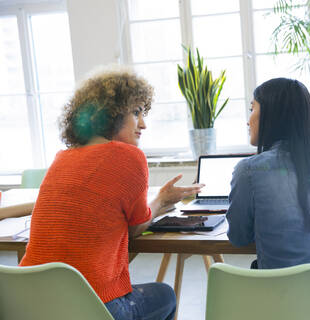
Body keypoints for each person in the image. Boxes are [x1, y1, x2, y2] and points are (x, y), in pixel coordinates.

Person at [19, 66, 203, 320]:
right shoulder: (128, 156)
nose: (143, 124)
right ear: (111, 115)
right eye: (136, 112)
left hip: (30, 303)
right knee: (166, 296)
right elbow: (136, 227)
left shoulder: (62, 158)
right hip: (90, 307)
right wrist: (162, 200)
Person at [226, 78, 310, 319]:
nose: (247, 120)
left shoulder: (249, 170)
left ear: (271, 114)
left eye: (252, 108)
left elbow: (238, 237)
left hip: (281, 306)